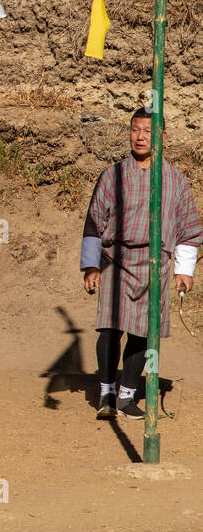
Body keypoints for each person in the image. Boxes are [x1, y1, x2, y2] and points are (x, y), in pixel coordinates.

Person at [81, 108, 202, 419]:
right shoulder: (112, 176)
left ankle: (126, 394)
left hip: (155, 264)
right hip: (115, 260)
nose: (140, 136)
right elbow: (95, 222)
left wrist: (184, 270)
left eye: (147, 130)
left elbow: (188, 228)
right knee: (110, 328)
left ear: (161, 136)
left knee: (142, 332)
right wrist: (91, 266)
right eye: (135, 129)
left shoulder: (175, 180)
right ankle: (107, 391)